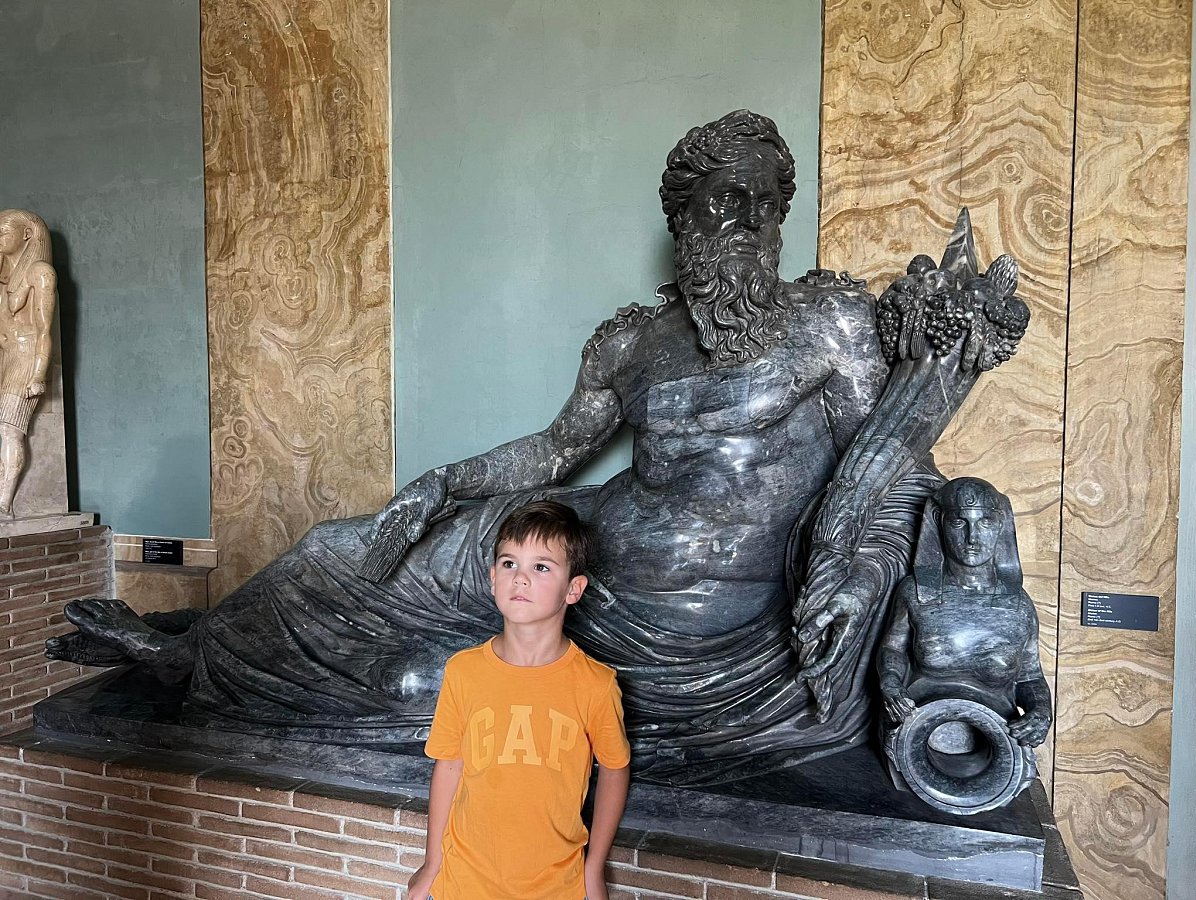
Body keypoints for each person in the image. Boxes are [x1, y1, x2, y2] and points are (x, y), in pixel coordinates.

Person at [48, 110, 940, 784]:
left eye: (765, 201)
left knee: (411, 680)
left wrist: (856, 577)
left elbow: (896, 469)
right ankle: (195, 644)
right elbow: (554, 450)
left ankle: (207, 655)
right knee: (338, 548)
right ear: (685, 220)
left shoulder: (831, 323)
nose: (746, 217)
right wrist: (441, 483)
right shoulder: (632, 342)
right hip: (572, 532)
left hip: (698, 615)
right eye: (724, 198)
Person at [407, 500, 630, 900]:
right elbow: (450, 765)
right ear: (493, 578)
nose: (520, 578)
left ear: (573, 589)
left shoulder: (595, 684)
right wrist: (432, 862)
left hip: (556, 888)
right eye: (509, 563)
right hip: (462, 883)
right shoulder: (464, 671)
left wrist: (593, 869)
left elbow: (615, 770)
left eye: (541, 567)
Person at [876, 477, 1052, 747]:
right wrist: (890, 682)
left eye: (985, 522)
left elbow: (1030, 676)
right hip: (915, 729)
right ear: (940, 523)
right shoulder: (915, 592)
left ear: (1000, 525)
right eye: (959, 523)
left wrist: (1041, 712)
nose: (972, 538)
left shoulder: (1018, 605)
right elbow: (893, 648)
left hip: (994, 737)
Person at [0, 210, 57, 516]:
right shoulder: (4, 277)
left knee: (9, 430)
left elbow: (45, 330)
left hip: (25, 358)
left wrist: (38, 374)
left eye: (3, 232)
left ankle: (4, 502)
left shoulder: (41, 272)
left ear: (26, 235)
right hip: (4, 357)